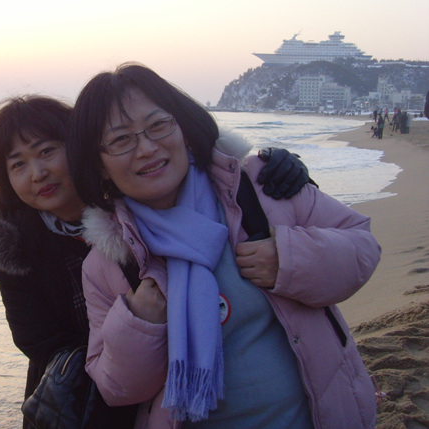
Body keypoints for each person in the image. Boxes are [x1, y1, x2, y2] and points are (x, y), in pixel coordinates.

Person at [0, 94, 313, 429]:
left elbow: (212, 177)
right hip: (84, 406)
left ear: (82, 147)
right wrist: (132, 335)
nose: (38, 173)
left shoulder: (139, 201)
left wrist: (281, 168)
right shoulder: (16, 244)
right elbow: (38, 342)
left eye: (47, 151)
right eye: (18, 164)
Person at [66, 63, 381, 429]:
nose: (147, 148)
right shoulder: (108, 263)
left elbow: (362, 245)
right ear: (99, 166)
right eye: (121, 140)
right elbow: (116, 389)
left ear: (183, 128)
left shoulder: (259, 188)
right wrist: (139, 323)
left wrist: (290, 258)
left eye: (158, 125)